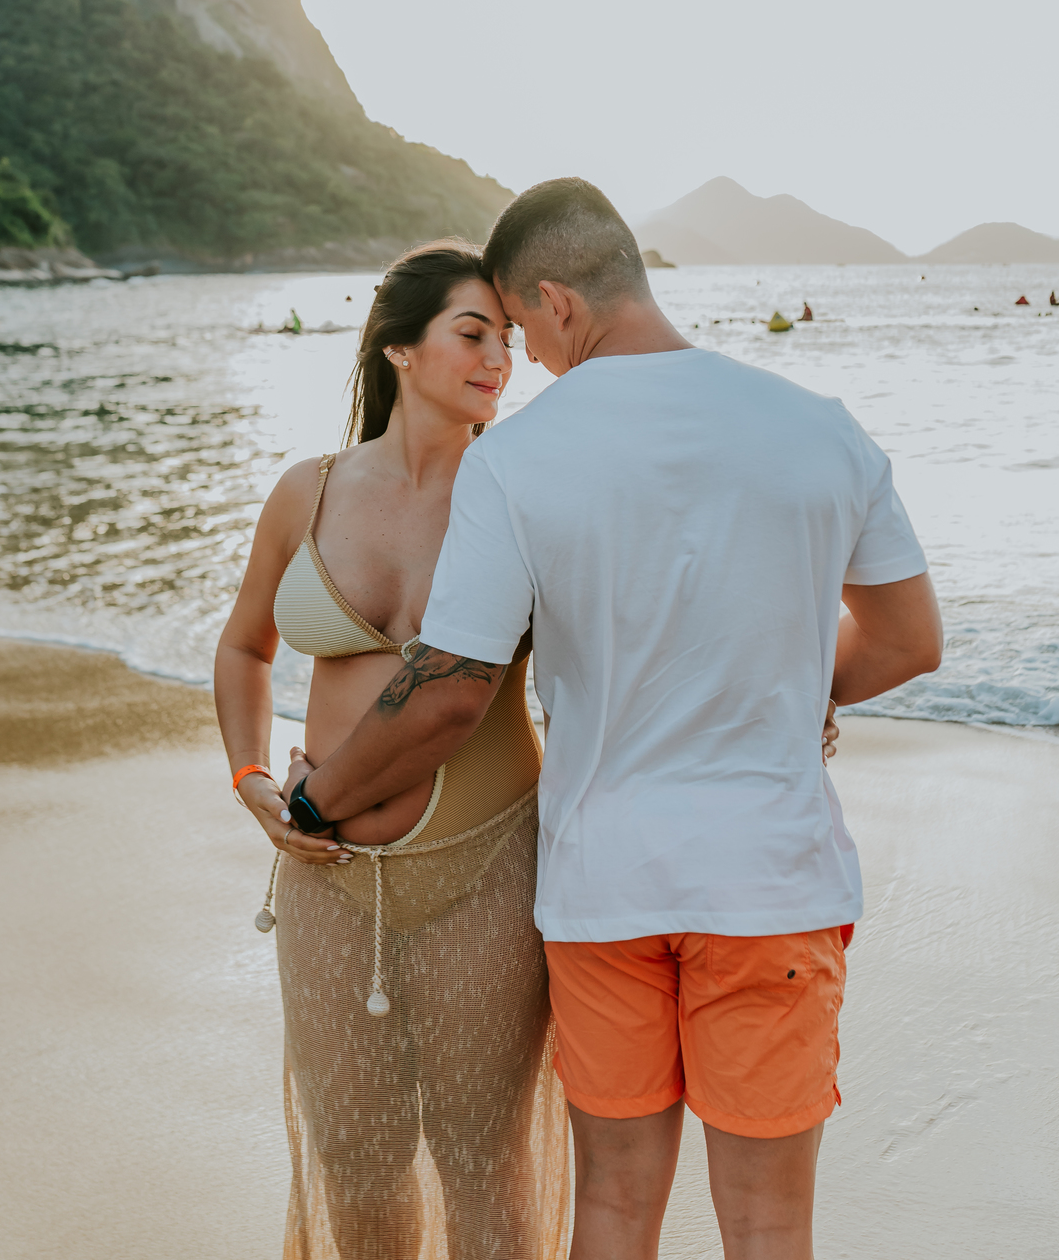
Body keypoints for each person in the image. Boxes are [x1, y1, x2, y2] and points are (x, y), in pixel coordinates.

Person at [293, 180, 942, 1260]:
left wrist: (319, 795)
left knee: (611, 1209)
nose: (528, 361)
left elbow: (451, 685)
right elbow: (908, 639)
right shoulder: (819, 429)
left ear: (556, 299)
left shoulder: (517, 457)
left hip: (605, 892)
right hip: (769, 884)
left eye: (522, 327)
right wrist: (782, 692)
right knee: (772, 1225)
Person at [214, 242, 568, 1260]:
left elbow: (618, 645)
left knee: (483, 1167)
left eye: (508, 339)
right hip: (325, 884)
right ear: (399, 348)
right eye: (473, 333)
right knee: (358, 1165)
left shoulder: (522, 499)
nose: (500, 357)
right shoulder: (307, 492)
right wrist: (248, 775)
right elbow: (245, 644)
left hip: (488, 871)